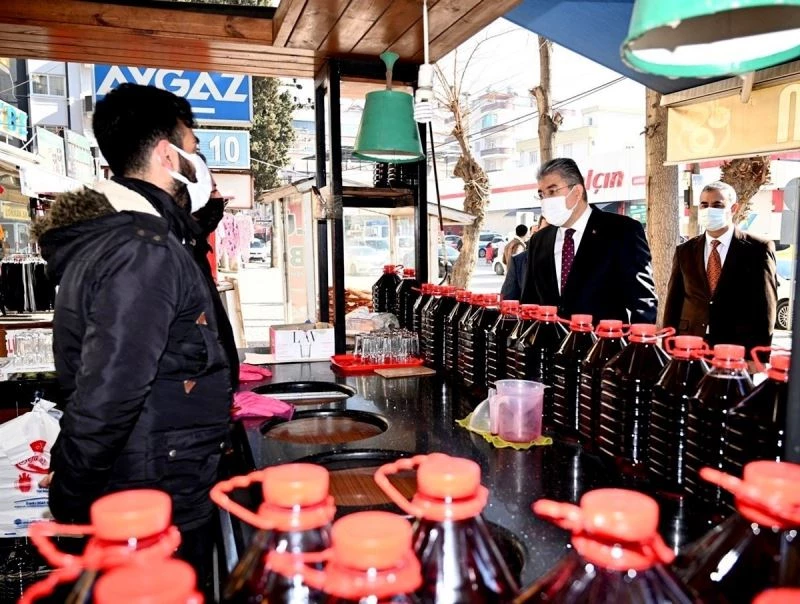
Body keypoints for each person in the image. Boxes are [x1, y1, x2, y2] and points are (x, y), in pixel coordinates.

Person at [32, 83, 232, 588]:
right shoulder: (143, 249)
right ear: (167, 155)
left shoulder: (134, 234)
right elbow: (111, 390)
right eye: (194, 149)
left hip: (154, 473)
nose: (201, 162)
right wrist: (72, 496)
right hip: (153, 487)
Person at [520, 158, 657, 323]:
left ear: (577, 192)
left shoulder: (622, 231)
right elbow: (529, 301)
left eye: (552, 191)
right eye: (541, 194)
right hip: (549, 339)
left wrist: (638, 338)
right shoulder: (539, 240)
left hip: (602, 338)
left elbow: (643, 303)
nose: (545, 201)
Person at [663, 181, 777, 352]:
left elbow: (766, 307)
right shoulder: (684, 251)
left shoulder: (758, 249)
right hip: (689, 345)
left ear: (734, 208)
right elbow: (674, 301)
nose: (709, 210)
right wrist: (668, 347)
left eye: (717, 205)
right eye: (704, 204)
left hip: (735, 348)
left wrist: (759, 356)